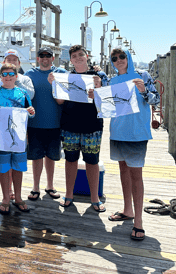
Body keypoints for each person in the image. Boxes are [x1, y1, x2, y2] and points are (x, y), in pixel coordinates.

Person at [106, 48, 160, 241]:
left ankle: (139, 222)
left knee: (136, 175)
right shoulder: (111, 81)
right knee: (123, 170)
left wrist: (144, 91)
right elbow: (106, 105)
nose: (119, 60)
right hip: (118, 132)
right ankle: (127, 210)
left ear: (128, 58)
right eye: (115, 58)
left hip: (137, 134)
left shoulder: (143, 76)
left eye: (122, 57)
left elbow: (156, 99)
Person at [49, 45, 108, 212]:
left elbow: (107, 103)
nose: (78, 58)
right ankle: (69, 194)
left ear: (87, 56)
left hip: (93, 126)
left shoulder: (99, 76)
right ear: (70, 60)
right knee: (70, 160)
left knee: (92, 162)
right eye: (74, 56)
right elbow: (60, 101)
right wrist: (54, 86)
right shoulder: (66, 77)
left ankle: (95, 198)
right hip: (70, 125)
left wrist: (98, 90)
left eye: (81, 54)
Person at [0, 49, 35, 200]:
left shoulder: (23, 93)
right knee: (3, 167)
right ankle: (5, 198)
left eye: (11, 74)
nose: (8, 77)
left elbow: (31, 113)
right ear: (0, 77)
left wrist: (31, 111)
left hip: (19, 137)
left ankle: (17, 197)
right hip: (0, 136)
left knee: (18, 167)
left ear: (16, 76)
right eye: (5, 75)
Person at [24, 46, 67, 201]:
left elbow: (71, 90)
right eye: (41, 56)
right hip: (34, 124)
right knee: (36, 157)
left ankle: (50, 185)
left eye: (48, 56)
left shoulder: (61, 73)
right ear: (38, 59)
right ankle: (35, 187)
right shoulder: (29, 74)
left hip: (55, 123)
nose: (45, 58)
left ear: (52, 58)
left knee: (51, 156)